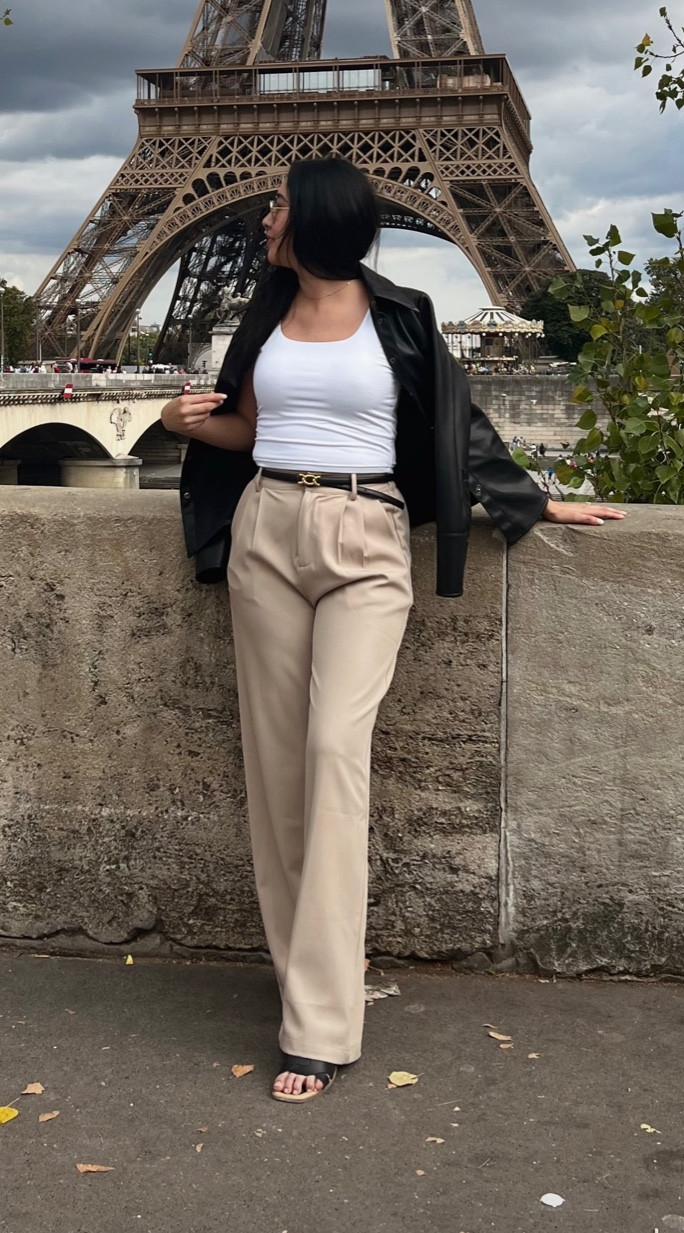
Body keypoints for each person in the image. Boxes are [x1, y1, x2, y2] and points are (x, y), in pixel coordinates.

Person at [160, 158, 625, 1107]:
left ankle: (324, 1022)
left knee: (335, 751)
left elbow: (458, 427)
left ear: (319, 220)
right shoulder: (264, 309)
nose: (265, 219)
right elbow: (247, 427)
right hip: (267, 528)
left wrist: (532, 503)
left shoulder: (402, 312)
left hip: (367, 536)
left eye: (280, 205)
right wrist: (181, 422)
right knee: (277, 764)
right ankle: (308, 989)